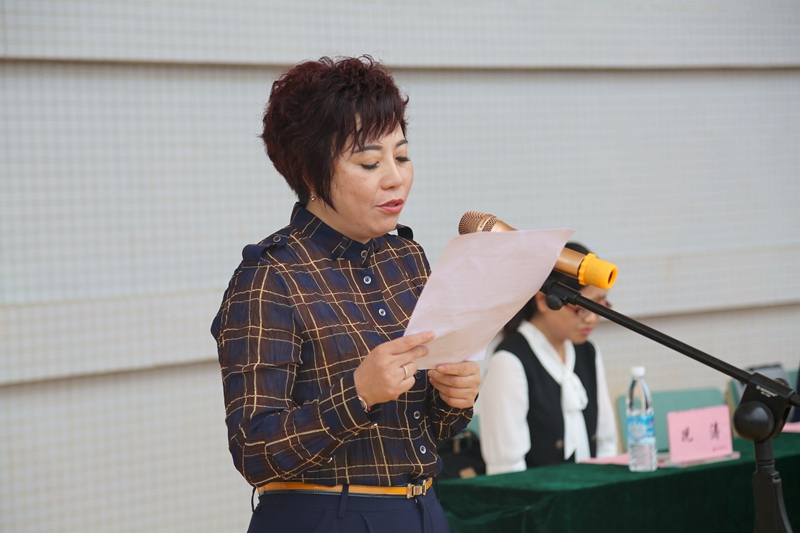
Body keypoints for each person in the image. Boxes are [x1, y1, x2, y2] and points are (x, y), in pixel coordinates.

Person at [210, 56, 481, 533]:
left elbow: (427, 429)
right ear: (312, 174)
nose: (394, 177)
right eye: (370, 162)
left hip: (423, 509)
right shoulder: (271, 276)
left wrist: (453, 398)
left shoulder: (407, 259)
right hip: (326, 516)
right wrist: (358, 394)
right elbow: (254, 451)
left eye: (402, 156)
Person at [478, 242, 618, 474]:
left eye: (600, 304)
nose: (593, 318)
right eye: (582, 308)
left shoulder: (587, 352)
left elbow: (606, 442)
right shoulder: (510, 361)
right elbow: (507, 468)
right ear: (543, 300)